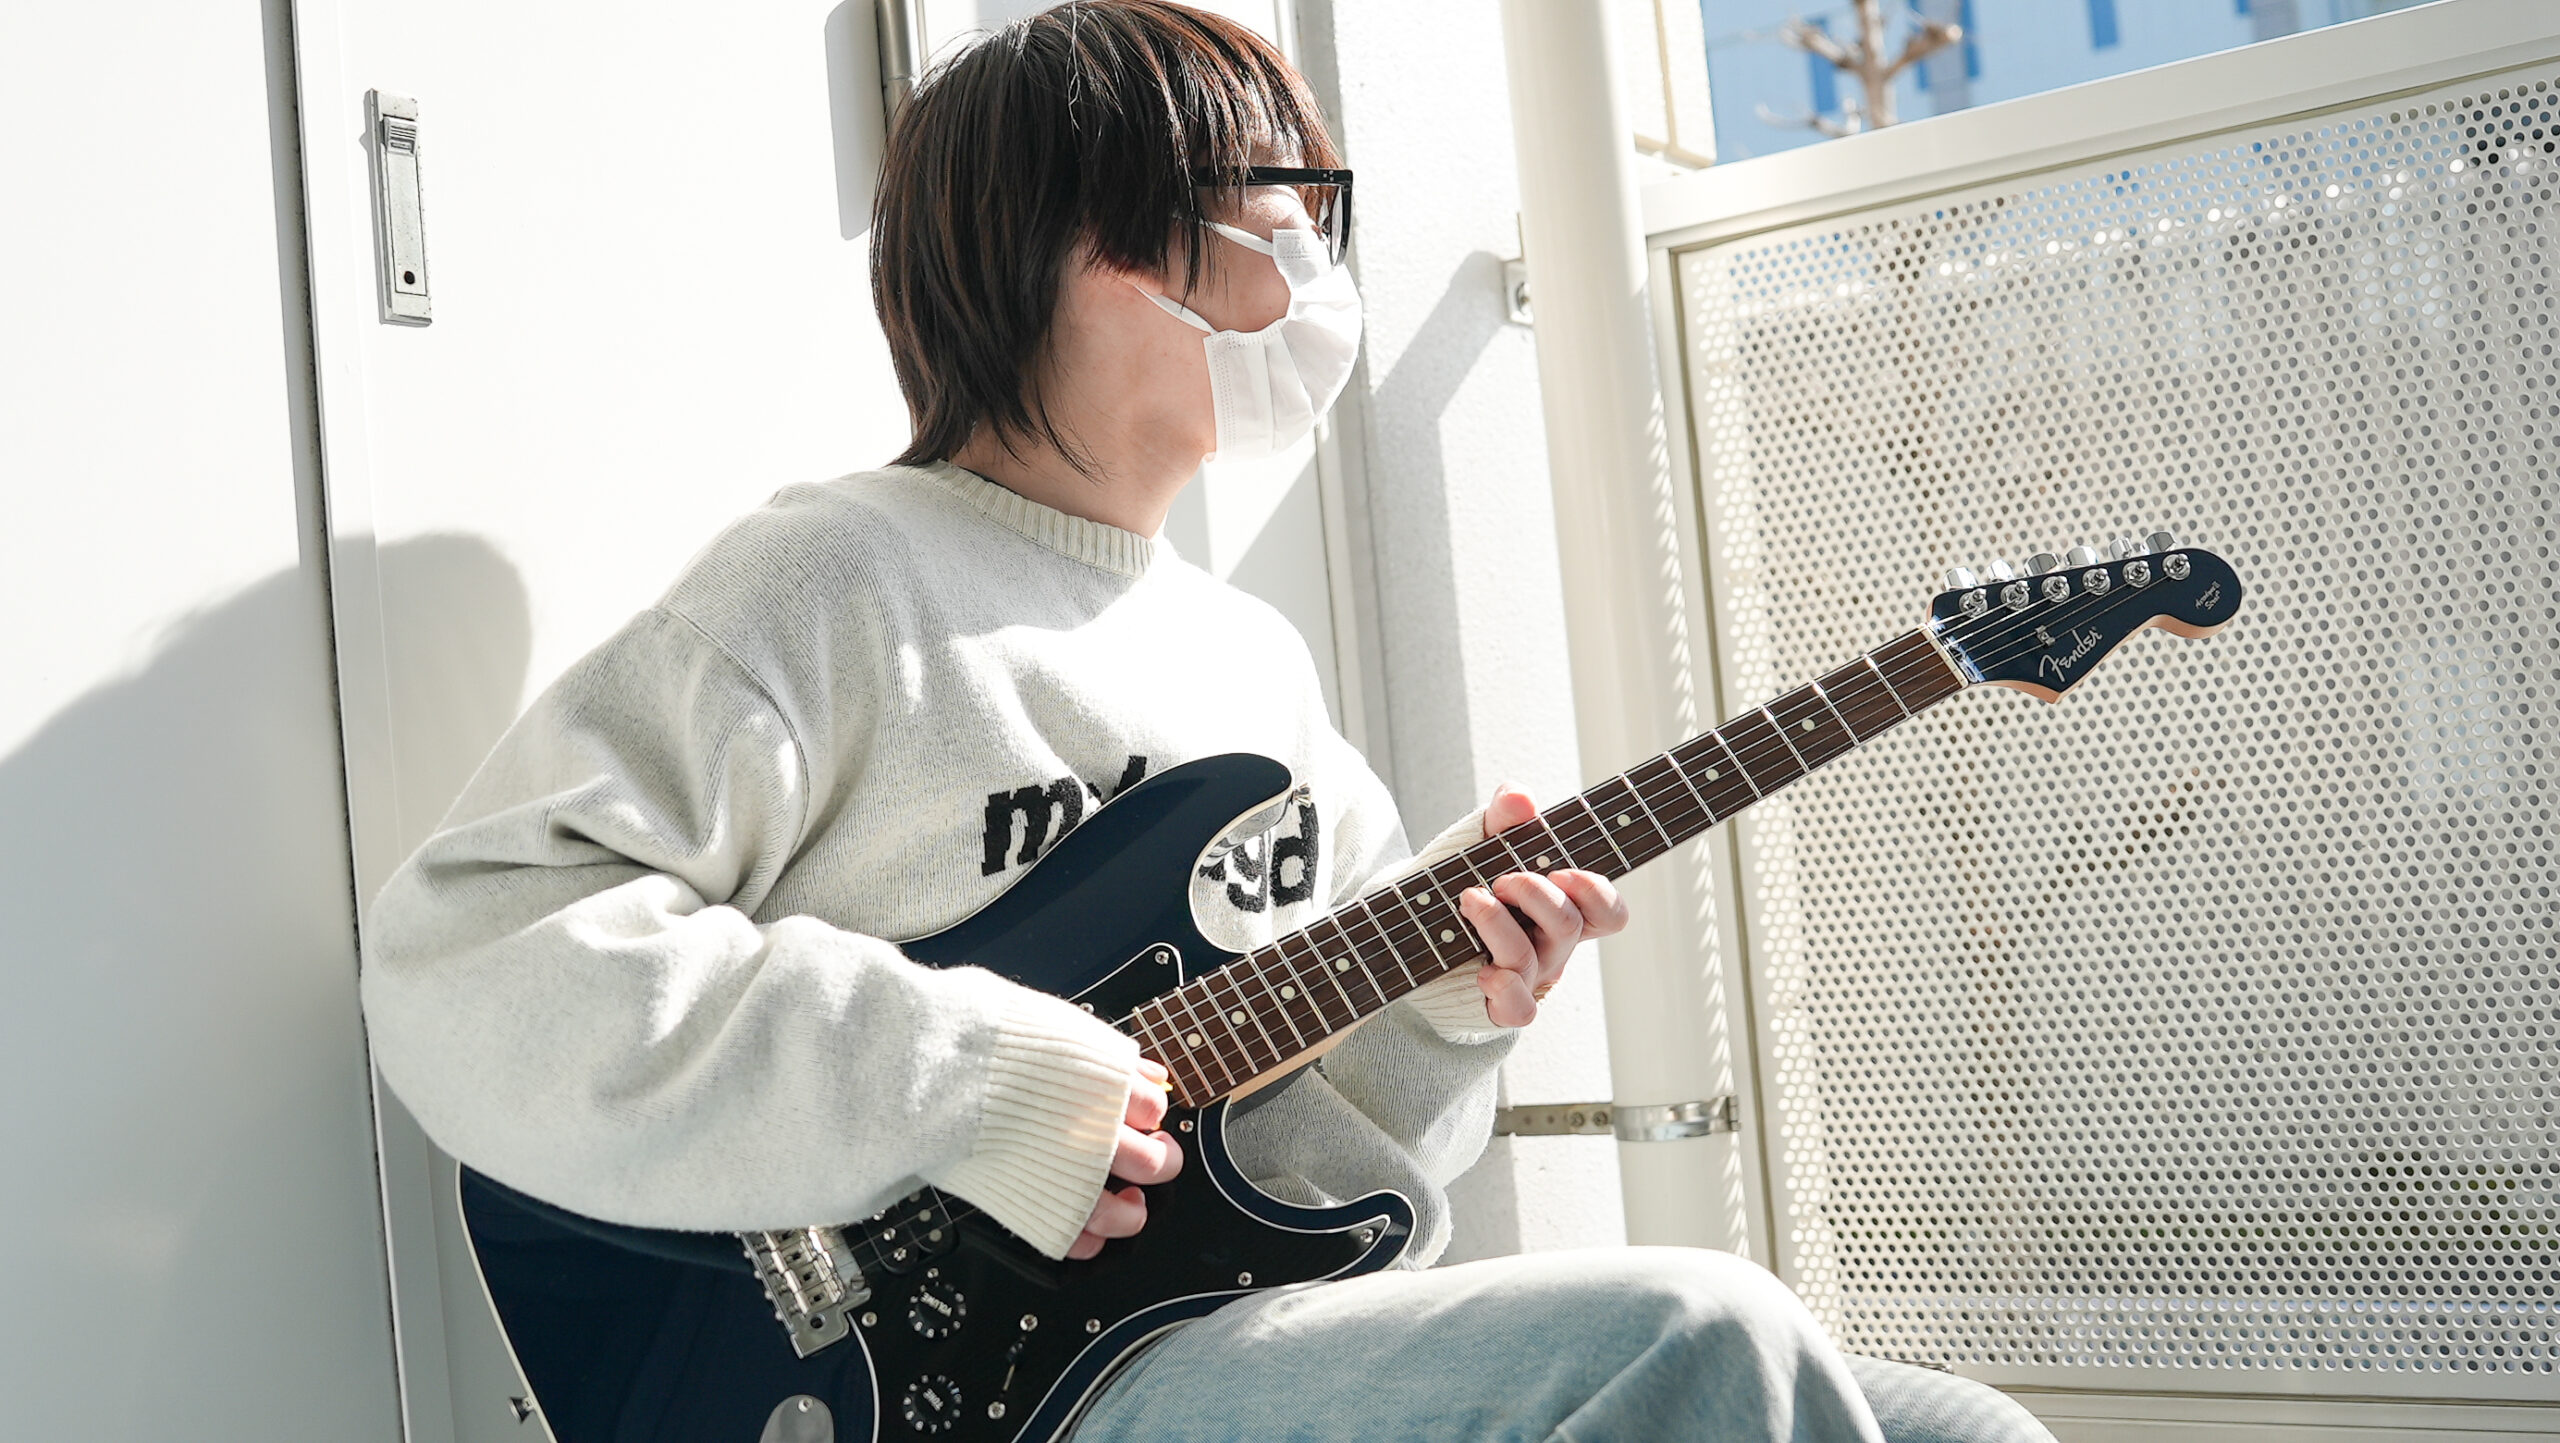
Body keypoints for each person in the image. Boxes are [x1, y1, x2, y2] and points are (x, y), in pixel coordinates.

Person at [362, 3, 2055, 1439]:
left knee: (1967, 1428)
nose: (1316, 258)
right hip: (965, 1388)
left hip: (1222, 1326)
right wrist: (977, 1083)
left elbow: (1338, 1172)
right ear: (1097, 242)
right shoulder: (834, 583)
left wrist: (1447, 1012)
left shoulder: (1251, 659)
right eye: (1282, 204)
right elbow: (474, 960)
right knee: (1701, 1332)